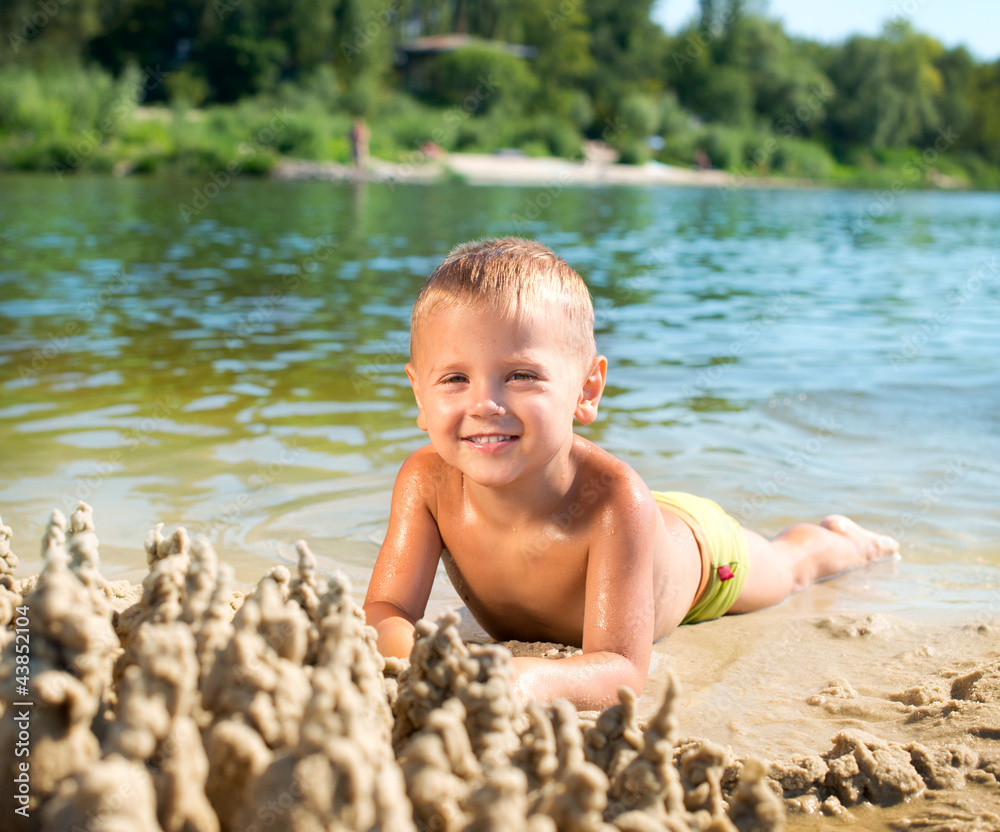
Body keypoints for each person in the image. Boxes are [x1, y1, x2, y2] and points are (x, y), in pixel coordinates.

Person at [363, 237, 900, 710]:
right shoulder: (426, 482)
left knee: (791, 568)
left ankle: (840, 542)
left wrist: (514, 678)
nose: (485, 403)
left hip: (703, 557)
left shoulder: (616, 502)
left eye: (521, 375)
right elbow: (387, 608)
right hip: (638, 527)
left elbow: (620, 670)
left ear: (587, 390)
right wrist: (412, 659)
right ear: (418, 392)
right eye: (454, 378)